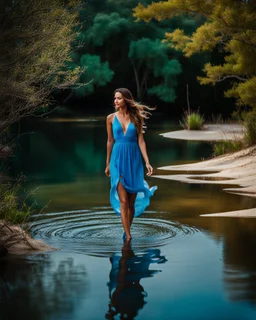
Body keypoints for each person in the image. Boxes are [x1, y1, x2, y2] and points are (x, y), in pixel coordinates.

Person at [105, 88, 157, 241]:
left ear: (126, 100)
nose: (116, 101)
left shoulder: (136, 118)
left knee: (131, 203)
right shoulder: (110, 118)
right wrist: (107, 163)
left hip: (134, 161)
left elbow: (141, 141)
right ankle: (128, 236)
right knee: (123, 201)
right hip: (117, 160)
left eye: (119, 98)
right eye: (115, 98)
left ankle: (127, 228)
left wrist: (147, 161)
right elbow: (110, 141)